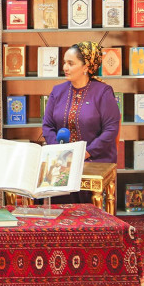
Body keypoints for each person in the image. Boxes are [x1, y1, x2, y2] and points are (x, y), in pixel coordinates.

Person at [42, 41, 120, 203]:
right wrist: (60, 152)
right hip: (61, 160)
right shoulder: (57, 91)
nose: (65, 67)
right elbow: (47, 126)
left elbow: (111, 129)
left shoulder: (103, 92)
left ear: (86, 67)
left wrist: (86, 153)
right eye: (64, 62)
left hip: (94, 159)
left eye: (70, 63)